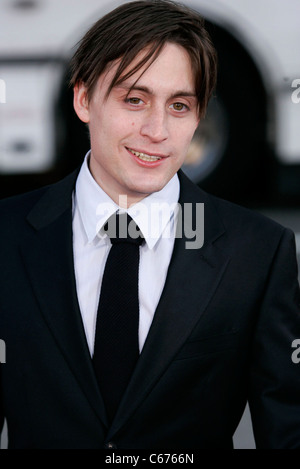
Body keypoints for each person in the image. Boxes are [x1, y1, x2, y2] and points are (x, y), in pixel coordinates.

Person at [0, 0, 300, 450]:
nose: (157, 130)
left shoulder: (258, 252)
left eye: (179, 106)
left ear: (200, 116)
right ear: (83, 99)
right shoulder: (5, 237)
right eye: (134, 99)